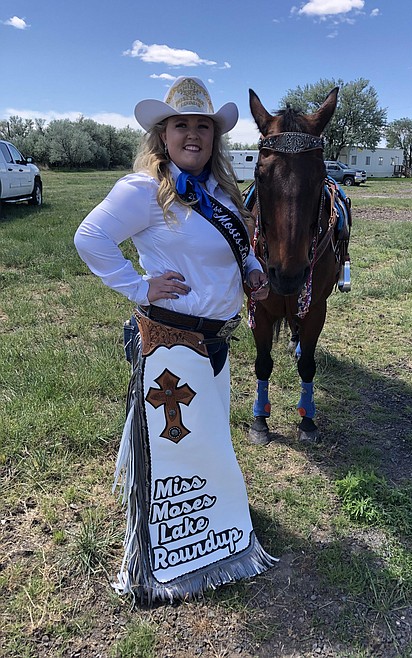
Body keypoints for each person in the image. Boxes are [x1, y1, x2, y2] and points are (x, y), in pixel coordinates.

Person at [74, 76, 276, 605]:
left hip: (215, 341)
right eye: (181, 125)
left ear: (214, 136)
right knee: (176, 448)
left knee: (204, 441)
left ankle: (211, 533)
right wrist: (139, 287)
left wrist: (252, 271)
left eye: (202, 127)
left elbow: (239, 249)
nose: (193, 135)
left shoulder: (221, 191)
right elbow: (89, 237)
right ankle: (166, 558)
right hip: (171, 341)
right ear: (163, 134)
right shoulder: (142, 190)